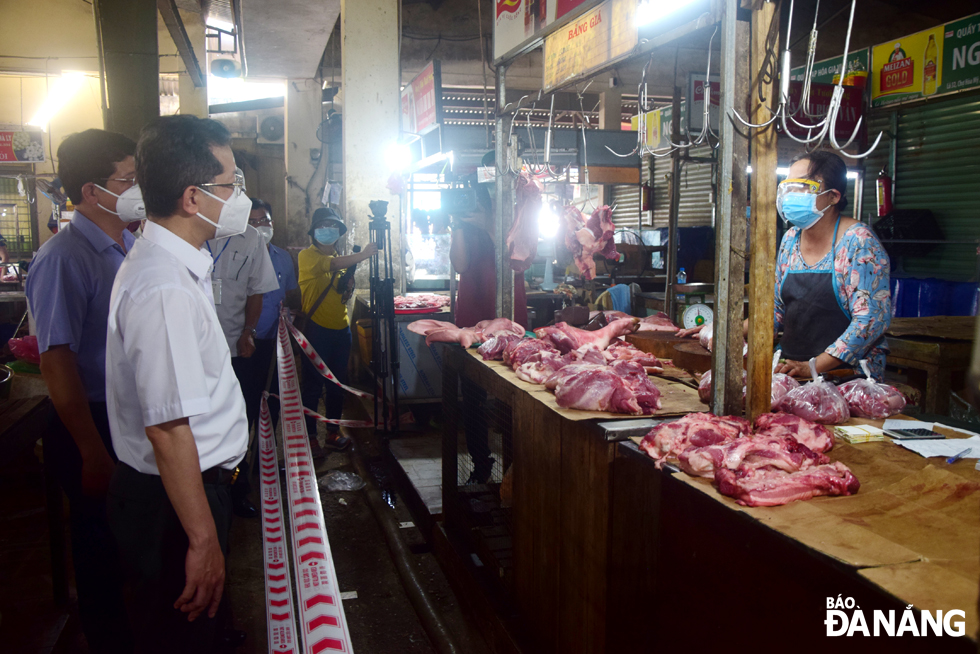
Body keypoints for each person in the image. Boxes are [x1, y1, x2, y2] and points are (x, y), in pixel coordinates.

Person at [105, 115, 249, 653]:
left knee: (201, 632)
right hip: (175, 506)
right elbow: (167, 428)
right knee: (182, 637)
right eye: (230, 184)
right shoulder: (162, 286)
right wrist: (202, 538)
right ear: (193, 197)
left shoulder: (175, 265)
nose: (237, 196)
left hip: (188, 494)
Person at [24, 128, 136, 654]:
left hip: (125, 416)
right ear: (93, 191)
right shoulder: (63, 258)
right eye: (130, 180)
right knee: (96, 540)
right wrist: (91, 449)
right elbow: (57, 361)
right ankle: (107, 638)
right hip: (89, 423)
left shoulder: (129, 244)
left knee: (128, 537)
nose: (139, 190)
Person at [680, 151, 892, 380]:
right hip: (792, 368)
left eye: (803, 186)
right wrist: (721, 330)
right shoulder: (791, 238)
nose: (792, 194)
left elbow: (869, 322)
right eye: (789, 186)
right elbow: (775, 310)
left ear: (834, 196)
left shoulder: (859, 242)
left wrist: (813, 366)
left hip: (847, 377)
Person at [205, 198, 278, 519]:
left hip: (236, 350)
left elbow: (256, 292)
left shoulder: (250, 239)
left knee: (239, 420)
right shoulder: (190, 231)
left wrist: (249, 330)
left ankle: (235, 490)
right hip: (195, 352)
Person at [298, 207, 377, 457]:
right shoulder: (306, 256)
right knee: (312, 386)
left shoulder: (343, 260)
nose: (328, 231)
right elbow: (330, 265)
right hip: (315, 330)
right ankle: (310, 436)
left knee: (338, 385)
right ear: (313, 232)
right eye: (322, 226)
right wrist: (363, 255)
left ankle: (333, 433)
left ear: (339, 232)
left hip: (341, 331)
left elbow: (340, 295)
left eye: (333, 227)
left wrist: (348, 287)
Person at [249, 198, 300, 438]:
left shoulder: (284, 258)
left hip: (277, 342)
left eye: (264, 220)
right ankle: (242, 463)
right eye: (253, 222)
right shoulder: (239, 257)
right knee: (248, 400)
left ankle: (264, 456)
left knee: (273, 400)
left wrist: (290, 319)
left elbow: (289, 295)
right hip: (246, 342)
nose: (260, 225)